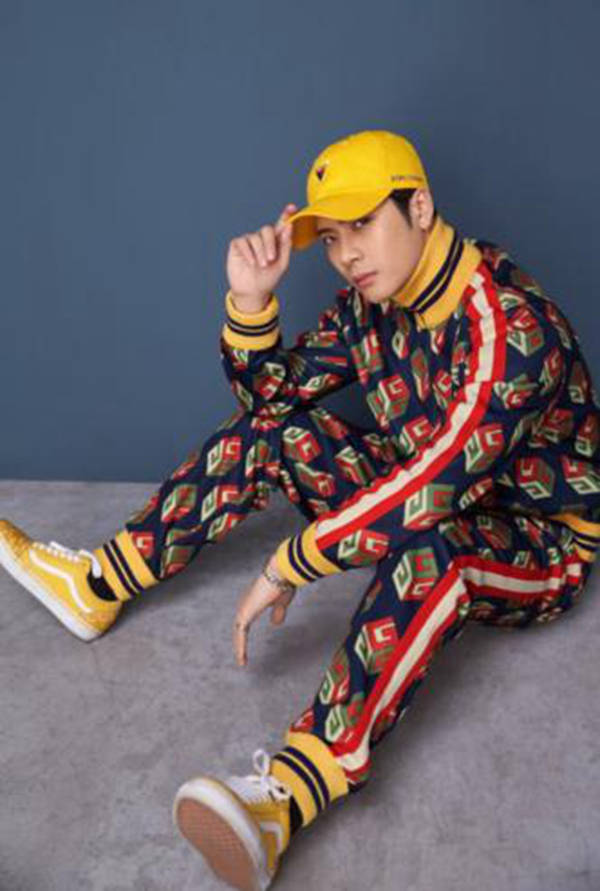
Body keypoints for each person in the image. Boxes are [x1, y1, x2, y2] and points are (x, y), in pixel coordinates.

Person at [1, 129, 599, 890]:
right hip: (419, 490)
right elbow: (272, 400)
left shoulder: (512, 327)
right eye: (334, 237)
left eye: (364, 225)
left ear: (419, 207)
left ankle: (283, 800)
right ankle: (97, 585)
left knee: (434, 550)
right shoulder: (371, 305)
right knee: (275, 433)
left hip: (538, 541)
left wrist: (293, 560)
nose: (348, 254)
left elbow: (438, 486)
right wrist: (251, 302)